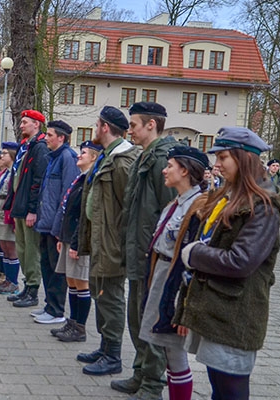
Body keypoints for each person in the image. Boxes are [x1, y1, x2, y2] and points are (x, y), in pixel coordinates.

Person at [174, 127, 280, 400]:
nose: (217, 164)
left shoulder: (264, 206)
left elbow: (241, 261)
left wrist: (194, 254)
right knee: (218, 387)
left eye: (223, 157)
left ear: (244, 158)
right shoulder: (231, 194)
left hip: (236, 315)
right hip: (217, 309)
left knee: (231, 390)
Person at [114, 102, 178, 400]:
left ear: (152, 124)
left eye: (135, 125)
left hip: (152, 254)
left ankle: (153, 384)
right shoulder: (147, 156)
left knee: (150, 320)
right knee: (137, 318)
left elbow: (168, 213)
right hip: (138, 251)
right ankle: (140, 373)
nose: (131, 130)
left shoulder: (162, 158)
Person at [140, 146, 209, 400]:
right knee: (169, 351)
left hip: (176, 282)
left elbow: (194, 260)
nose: (164, 170)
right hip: (162, 275)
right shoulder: (176, 202)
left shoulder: (199, 206)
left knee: (175, 351)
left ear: (185, 170)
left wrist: (185, 304)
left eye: (170, 165)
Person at [76, 106, 141, 376]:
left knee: (111, 298)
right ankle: (105, 347)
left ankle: (113, 356)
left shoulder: (123, 161)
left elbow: (130, 207)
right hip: (100, 241)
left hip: (113, 245)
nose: (93, 128)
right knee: (101, 296)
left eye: (96, 123)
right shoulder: (108, 157)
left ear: (105, 127)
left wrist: (120, 244)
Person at [50, 140, 103, 342]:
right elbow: (68, 211)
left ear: (94, 157)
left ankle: (79, 327)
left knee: (81, 283)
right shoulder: (80, 179)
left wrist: (77, 243)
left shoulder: (90, 181)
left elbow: (84, 216)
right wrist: (62, 238)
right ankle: (72, 322)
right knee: (72, 281)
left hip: (79, 241)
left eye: (83, 153)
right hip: (69, 238)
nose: (79, 155)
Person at [30, 120, 79, 324]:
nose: (46, 138)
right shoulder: (53, 157)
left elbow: (67, 195)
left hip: (55, 226)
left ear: (61, 137)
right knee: (47, 266)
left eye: (50, 135)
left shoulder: (67, 158)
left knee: (56, 270)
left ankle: (57, 310)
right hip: (46, 223)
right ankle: (49, 306)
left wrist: (59, 227)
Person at [5, 110, 50, 308]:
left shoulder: (40, 147)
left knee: (31, 250)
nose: (21, 125)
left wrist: (33, 209)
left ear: (36, 124)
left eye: (25, 122)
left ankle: (33, 289)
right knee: (22, 249)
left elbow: (38, 180)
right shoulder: (25, 146)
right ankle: (26, 286)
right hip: (19, 204)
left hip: (28, 208)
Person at [0, 142, 21, 295]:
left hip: (7, 209)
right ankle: (7, 279)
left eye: (5, 153)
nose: (1, 156)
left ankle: (13, 281)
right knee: (4, 246)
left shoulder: (15, 171)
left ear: (12, 155)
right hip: (0, 207)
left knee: (10, 247)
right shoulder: (5, 172)